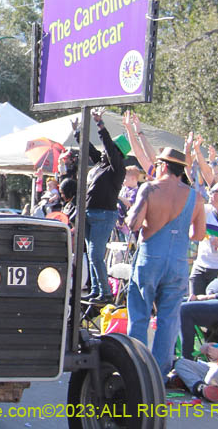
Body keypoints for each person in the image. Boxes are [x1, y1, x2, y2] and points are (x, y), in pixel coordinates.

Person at [126, 147, 207, 380]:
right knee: (169, 320)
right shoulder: (195, 196)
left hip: (150, 257)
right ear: (181, 171)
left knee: (140, 314)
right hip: (179, 262)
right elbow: (199, 234)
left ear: (162, 166)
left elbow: (133, 224)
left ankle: (137, 371)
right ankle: (158, 377)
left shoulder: (149, 188)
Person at [72, 107, 126, 304]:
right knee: (91, 253)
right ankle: (96, 290)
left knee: (95, 254)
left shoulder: (116, 168)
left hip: (104, 214)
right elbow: (91, 150)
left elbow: (109, 149)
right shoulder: (101, 165)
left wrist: (100, 125)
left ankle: (105, 291)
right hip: (89, 213)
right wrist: (78, 133)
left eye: (108, 150)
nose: (103, 152)